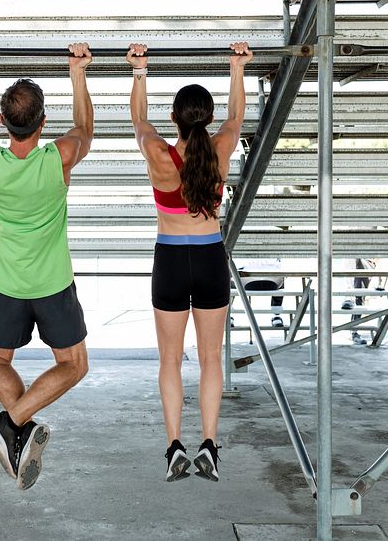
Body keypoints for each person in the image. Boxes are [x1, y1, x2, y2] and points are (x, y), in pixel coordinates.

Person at [0, 41, 94, 490]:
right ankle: (12, 422)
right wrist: (77, 72)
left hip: (5, 283)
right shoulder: (57, 159)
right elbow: (85, 127)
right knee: (74, 365)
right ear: (43, 122)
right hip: (53, 282)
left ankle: (13, 427)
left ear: (6, 122)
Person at [126, 41, 253, 483]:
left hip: (171, 260)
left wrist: (140, 70)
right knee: (211, 359)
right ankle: (210, 446)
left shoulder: (160, 154)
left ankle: (175, 445)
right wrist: (236, 67)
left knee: (170, 360)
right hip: (209, 256)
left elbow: (139, 120)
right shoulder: (220, 147)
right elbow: (237, 118)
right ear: (208, 118)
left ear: (175, 118)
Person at [239, 258, 286, 329]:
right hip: (273, 282)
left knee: (231, 278)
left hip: (246, 281)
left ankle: (229, 315)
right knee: (280, 276)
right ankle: (276, 315)